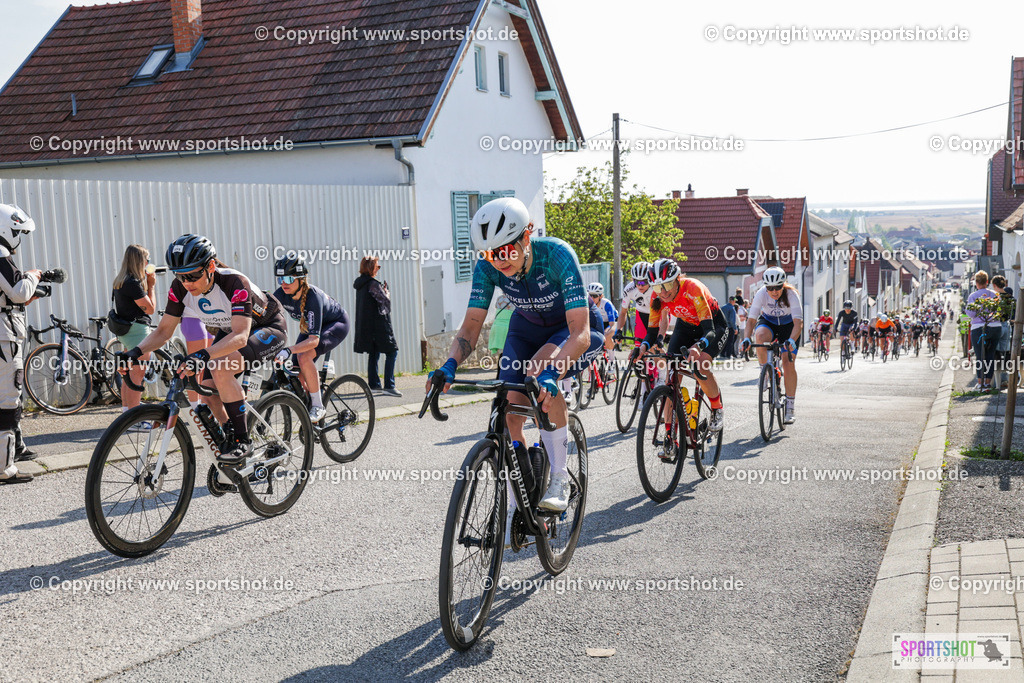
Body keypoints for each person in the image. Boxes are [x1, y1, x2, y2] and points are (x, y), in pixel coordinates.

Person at [427, 196, 603, 513]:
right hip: (526, 327)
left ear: (527, 235)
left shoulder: (557, 256)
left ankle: (559, 479)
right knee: (509, 413)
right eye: (489, 253)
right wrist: (449, 365)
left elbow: (581, 333)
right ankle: (517, 502)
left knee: (538, 373)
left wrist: (554, 372)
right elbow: (469, 329)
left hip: (566, 326)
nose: (499, 260)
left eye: (506, 249)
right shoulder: (488, 267)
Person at [119, 234, 288, 464]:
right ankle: (230, 433)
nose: (187, 283)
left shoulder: (234, 283)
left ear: (210, 266)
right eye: (180, 276)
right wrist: (134, 353)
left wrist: (201, 355)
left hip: (266, 328)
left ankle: (242, 441)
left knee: (220, 369)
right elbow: (163, 332)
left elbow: (240, 336)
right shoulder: (179, 288)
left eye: (192, 275)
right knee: (207, 392)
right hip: (231, 330)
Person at [637, 258, 728, 431]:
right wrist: (642, 348)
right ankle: (670, 437)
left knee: (700, 364)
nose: (663, 293)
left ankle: (717, 409)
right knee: (671, 375)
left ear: (677, 279)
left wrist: (698, 346)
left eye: (667, 286)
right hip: (685, 328)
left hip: (713, 327)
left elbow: (710, 331)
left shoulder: (693, 288)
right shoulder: (657, 296)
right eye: (657, 287)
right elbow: (651, 332)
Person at [272, 255, 351, 421]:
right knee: (294, 371)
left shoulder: (313, 297)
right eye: (280, 279)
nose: (284, 283)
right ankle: (309, 403)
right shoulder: (281, 294)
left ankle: (318, 405)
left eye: (288, 278)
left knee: (304, 356)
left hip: (336, 324)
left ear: (301, 279)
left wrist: (288, 349)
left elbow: (314, 340)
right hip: (312, 327)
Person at [0, 204, 39, 484]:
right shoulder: (0, 254)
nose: (18, 238)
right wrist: (33, 276)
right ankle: (5, 468)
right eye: (17, 232)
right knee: (7, 403)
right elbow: (18, 291)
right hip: (3, 339)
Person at [740, 266, 803, 424]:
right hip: (769, 322)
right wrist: (746, 338)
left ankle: (790, 407)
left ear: (783, 285)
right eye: (770, 288)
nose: (774, 291)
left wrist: (791, 341)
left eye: (778, 287)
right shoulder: (761, 293)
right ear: (765, 286)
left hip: (789, 327)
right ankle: (764, 372)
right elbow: (752, 320)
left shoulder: (791, 295)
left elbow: (798, 323)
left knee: (788, 362)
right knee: (759, 336)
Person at [111, 245, 157, 411]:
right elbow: (150, 309)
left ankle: (127, 413)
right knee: (137, 377)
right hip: (138, 332)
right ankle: (135, 417)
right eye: (147, 259)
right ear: (140, 261)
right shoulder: (133, 283)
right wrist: (151, 285)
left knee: (129, 377)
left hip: (127, 332)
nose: (148, 263)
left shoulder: (121, 280)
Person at [354, 256, 400, 397]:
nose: (378, 269)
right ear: (371, 268)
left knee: (374, 354)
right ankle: (389, 386)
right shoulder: (373, 284)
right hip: (379, 326)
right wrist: (387, 293)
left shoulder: (361, 284)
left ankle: (374, 385)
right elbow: (385, 302)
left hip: (367, 326)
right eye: (377, 266)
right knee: (392, 352)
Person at [966, 271, 1002, 390]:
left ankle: (980, 383)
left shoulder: (973, 296)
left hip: (979, 328)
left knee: (980, 356)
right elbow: (1000, 311)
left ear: (976, 283)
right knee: (990, 354)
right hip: (995, 327)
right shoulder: (995, 295)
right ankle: (988, 383)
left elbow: (971, 313)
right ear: (987, 282)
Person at [612, 262, 653, 347]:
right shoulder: (629, 289)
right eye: (636, 282)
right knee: (638, 347)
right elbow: (623, 312)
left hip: (657, 315)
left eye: (643, 282)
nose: (639, 286)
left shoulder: (656, 288)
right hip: (641, 314)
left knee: (653, 346)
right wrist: (619, 330)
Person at [586, 282, 618, 349]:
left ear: (601, 296)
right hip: (600, 322)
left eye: (595, 296)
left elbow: (612, 324)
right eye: (590, 295)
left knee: (606, 336)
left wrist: (605, 334)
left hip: (613, 322)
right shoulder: (587, 304)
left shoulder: (606, 304)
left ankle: (612, 358)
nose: (592, 298)